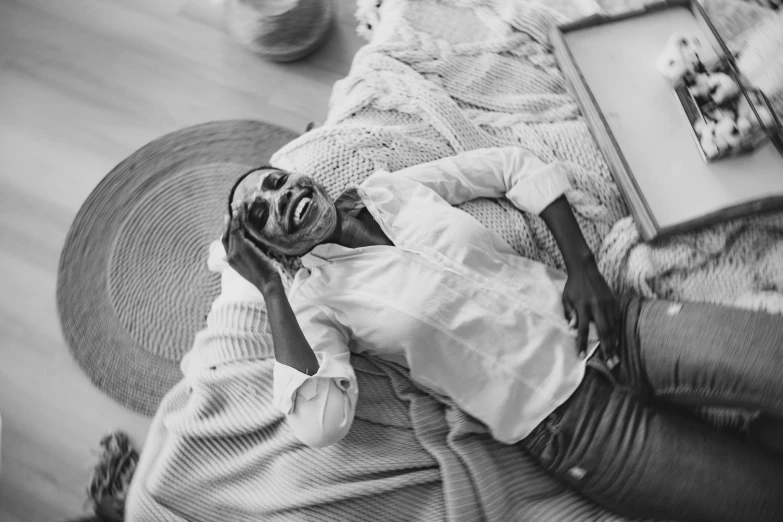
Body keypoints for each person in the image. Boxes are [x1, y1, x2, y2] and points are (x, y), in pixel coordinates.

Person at [221, 146, 783, 522]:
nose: (280, 196)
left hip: (618, 330)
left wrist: (582, 266)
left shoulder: (391, 188)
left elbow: (512, 165)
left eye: (276, 181)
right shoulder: (313, 304)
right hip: (578, 430)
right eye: (260, 213)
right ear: (268, 251)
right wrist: (272, 291)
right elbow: (323, 424)